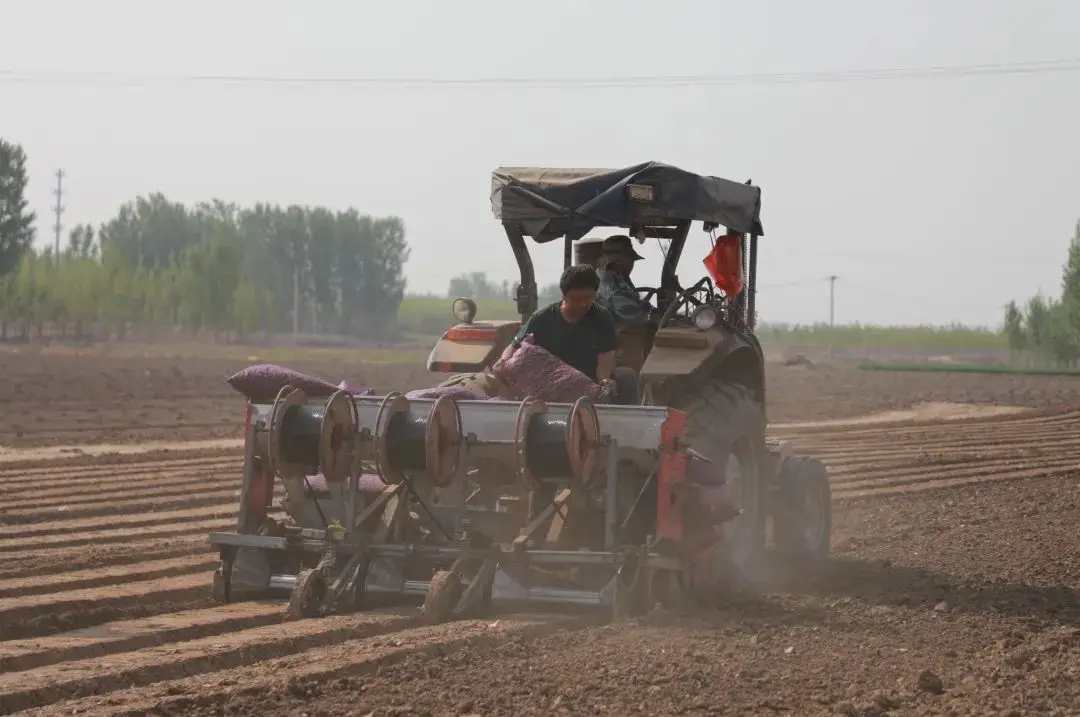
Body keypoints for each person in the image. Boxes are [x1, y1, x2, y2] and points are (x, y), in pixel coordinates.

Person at [500, 264, 639, 405]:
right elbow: (514, 347)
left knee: (626, 376)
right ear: (564, 295)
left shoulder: (602, 317)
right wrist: (502, 364)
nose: (583, 303)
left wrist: (604, 381)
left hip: (587, 385)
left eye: (588, 297)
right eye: (577, 298)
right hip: (547, 385)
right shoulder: (542, 317)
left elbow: (605, 360)